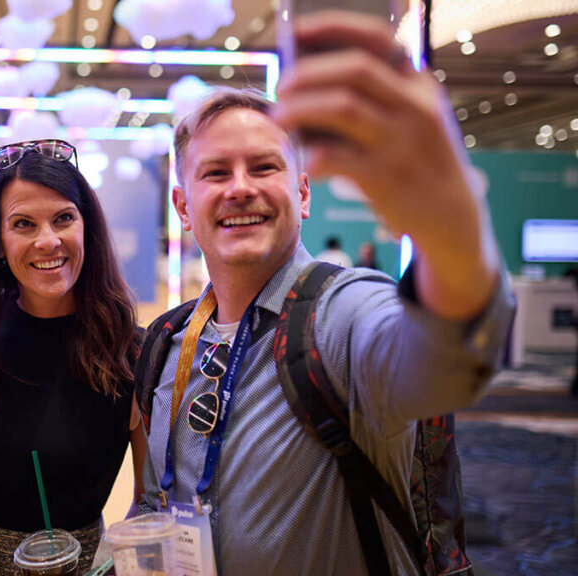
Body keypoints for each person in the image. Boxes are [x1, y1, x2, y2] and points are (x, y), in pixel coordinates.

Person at [138, 13, 514, 576]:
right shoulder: (167, 342)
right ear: (184, 207)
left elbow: (448, 361)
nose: (240, 187)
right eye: (215, 172)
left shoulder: (340, 314)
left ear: (303, 193)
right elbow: (155, 505)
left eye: (264, 166)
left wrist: (452, 225)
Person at [0, 139, 145, 574]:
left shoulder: (132, 351)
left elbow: (148, 497)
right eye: (23, 224)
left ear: (87, 229)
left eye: (64, 219)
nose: (48, 241)